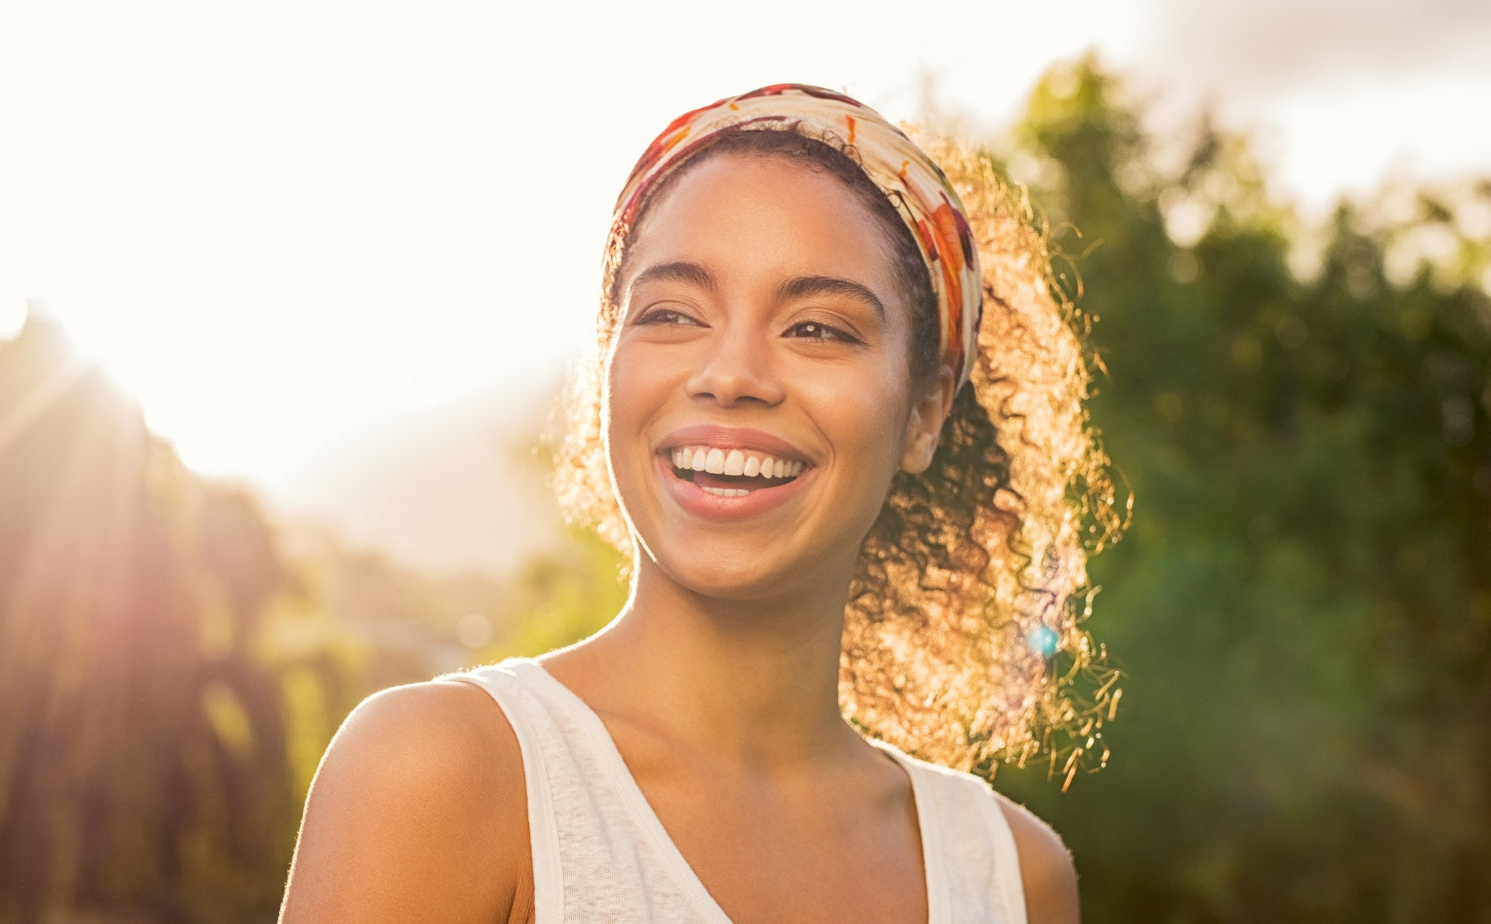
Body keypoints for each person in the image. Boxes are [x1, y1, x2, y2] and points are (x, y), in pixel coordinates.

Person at [278, 83, 1120, 923]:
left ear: (925, 411)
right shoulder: (440, 774)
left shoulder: (1014, 877)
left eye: (817, 328)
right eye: (673, 313)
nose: (730, 376)